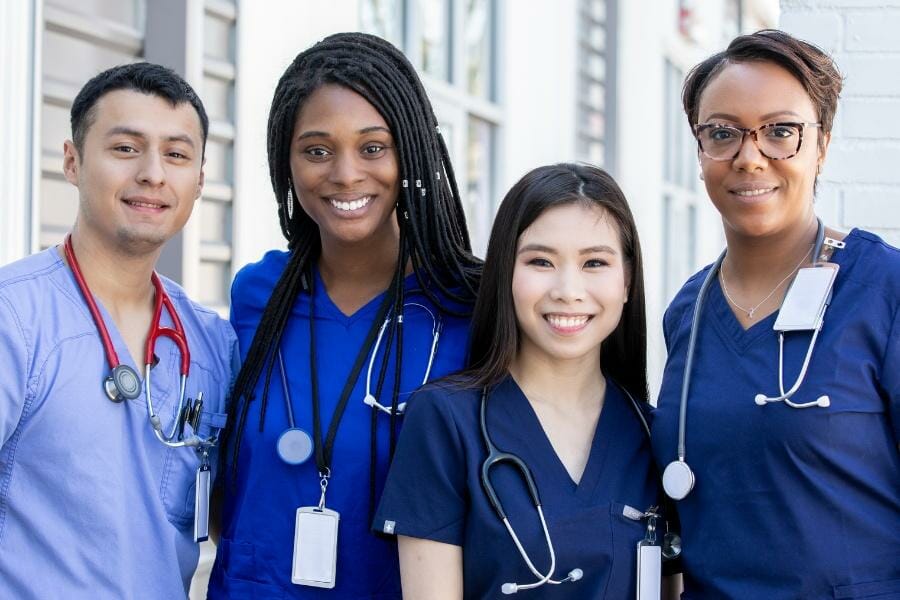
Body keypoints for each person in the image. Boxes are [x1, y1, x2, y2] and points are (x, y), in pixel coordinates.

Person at [208, 33, 480, 598]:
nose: (346, 174)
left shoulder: (470, 307)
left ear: (410, 152)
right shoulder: (258, 295)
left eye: (373, 148)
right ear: (287, 163)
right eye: (316, 150)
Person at [651, 29, 900, 599]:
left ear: (822, 147)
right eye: (723, 133)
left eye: (781, 132)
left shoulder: (883, 290)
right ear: (700, 150)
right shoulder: (688, 310)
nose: (749, 156)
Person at [375, 163, 679, 599]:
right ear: (505, 273)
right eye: (541, 261)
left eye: (595, 262)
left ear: (627, 280)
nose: (567, 289)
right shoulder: (446, 421)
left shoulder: (654, 436)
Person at [0, 63, 237, 598]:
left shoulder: (212, 346)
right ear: (72, 161)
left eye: (176, 155)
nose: (153, 174)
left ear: (199, 180)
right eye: (126, 148)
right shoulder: (15, 319)